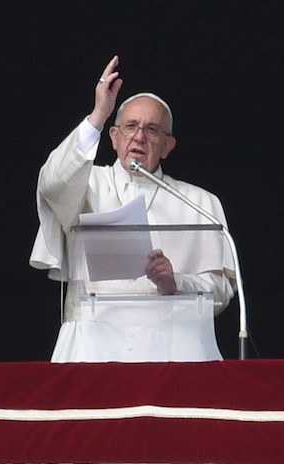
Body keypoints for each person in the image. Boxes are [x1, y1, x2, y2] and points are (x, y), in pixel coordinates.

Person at [30, 56, 236, 362]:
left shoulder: (201, 203)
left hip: (176, 355)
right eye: (130, 126)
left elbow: (221, 290)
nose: (139, 136)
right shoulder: (86, 185)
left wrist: (176, 282)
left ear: (168, 145)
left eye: (152, 130)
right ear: (113, 137)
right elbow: (51, 184)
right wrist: (98, 115)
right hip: (92, 349)